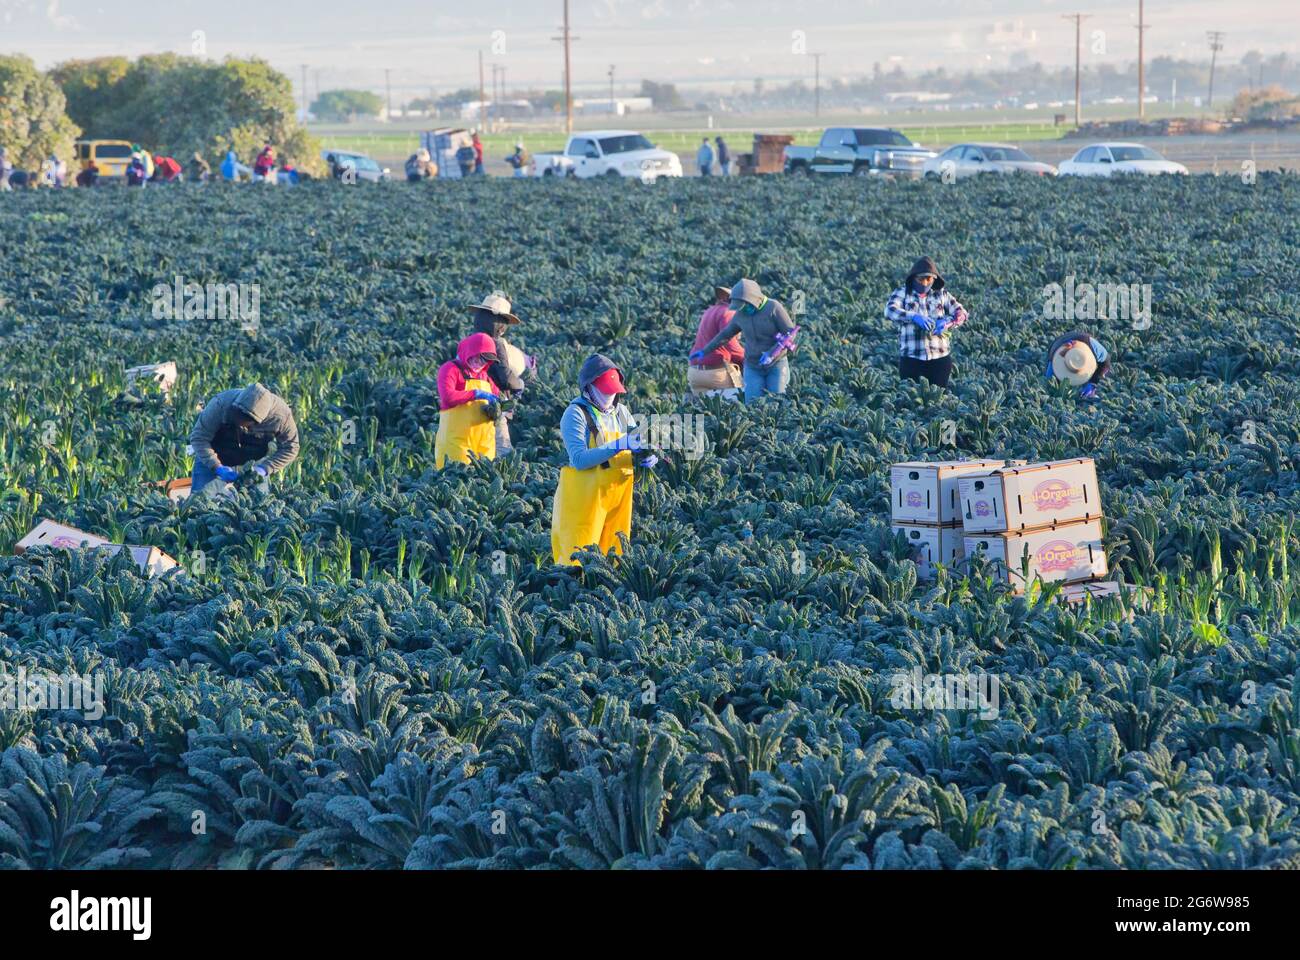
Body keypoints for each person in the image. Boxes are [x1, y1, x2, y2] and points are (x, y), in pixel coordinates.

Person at [552, 355, 654, 566]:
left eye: (614, 390)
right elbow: (578, 460)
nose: (610, 396)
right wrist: (620, 444)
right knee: (577, 562)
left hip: (617, 499)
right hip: (585, 502)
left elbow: (637, 441)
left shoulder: (622, 412)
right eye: (604, 390)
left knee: (615, 559)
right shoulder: (575, 414)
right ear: (588, 388)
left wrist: (646, 455)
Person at [692, 279, 798, 401]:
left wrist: (772, 352)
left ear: (754, 300)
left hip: (776, 365)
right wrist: (705, 350)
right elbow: (725, 335)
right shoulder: (740, 315)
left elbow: (790, 333)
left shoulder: (773, 307)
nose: (742, 310)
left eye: (745, 306)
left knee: (777, 401)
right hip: (752, 367)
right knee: (753, 405)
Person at [189, 383, 300, 495]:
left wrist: (265, 468)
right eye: (238, 421)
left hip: (254, 464)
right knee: (199, 502)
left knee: (258, 505)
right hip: (215, 456)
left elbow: (291, 448)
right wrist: (216, 466)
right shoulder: (221, 404)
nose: (242, 427)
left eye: (246, 425)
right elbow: (199, 437)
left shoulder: (280, 416)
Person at [884, 256, 968, 389]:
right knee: (910, 401)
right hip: (911, 359)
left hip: (939, 358)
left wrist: (948, 322)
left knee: (938, 402)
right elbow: (889, 311)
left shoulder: (941, 294)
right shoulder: (902, 293)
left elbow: (961, 313)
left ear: (934, 279)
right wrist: (913, 316)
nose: (924, 282)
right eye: (920, 278)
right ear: (913, 278)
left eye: (928, 279)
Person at [468, 292, 535, 455]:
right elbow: (505, 376)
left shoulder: (470, 340)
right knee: (502, 449)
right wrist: (519, 385)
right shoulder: (496, 344)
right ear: (500, 324)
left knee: (477, 446)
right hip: (493, 402)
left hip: (470, 400)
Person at [435, 332, 501, 468]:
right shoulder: (451, 369)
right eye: (478, 357)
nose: (480, 363)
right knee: (457, 479)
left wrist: (500, 410)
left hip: (485, 444)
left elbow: (499, 399)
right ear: (469, 351)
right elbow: (448, 397)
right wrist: (476, 394)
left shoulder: (485, 377)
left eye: (485, 360)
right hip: (457, 443)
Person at [688, 285, 744, 398]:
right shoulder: (728, 313)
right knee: (735, 404)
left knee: (703, 411)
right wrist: (749, 356)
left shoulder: (709, 311)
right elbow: (730, 343)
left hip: (695, 373)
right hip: (716, 374)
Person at [1046, 332, 1110, 400]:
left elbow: (1106, 361)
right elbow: (1049, 381)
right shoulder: (1054, 359)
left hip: (1083, 340)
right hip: (1058, 343)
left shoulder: (1094, 347)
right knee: (1051, 385)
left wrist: (1093, 383)